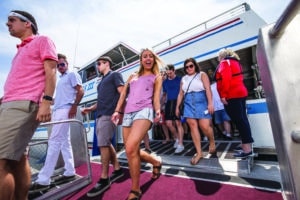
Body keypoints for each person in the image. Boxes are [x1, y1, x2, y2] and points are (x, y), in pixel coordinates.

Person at [0, 10, 57, 199]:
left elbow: (51, 71)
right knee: (17, 159)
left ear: (27, 24)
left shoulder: (42, 40)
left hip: (23, 105)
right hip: (10, 104)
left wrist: (46, 102)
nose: (8, 24)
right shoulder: (19, 50)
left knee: (1, 161)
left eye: (12, 20)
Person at [111, 48, 163, 200]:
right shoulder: (132, 76)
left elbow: (156, 98)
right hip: (128, 113)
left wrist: (158, 110)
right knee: (130, 150)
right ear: (141, 60)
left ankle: (135, 190)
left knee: (131, 147)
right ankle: (155, 161)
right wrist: (117, 111)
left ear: (154, 59)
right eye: (144, 56)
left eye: (150, 56)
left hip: (144, 111)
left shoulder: (157, 76)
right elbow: (123, 95)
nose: (148, 58)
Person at [30, 53, 84, 193]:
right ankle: (70, 170)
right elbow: (57, 100)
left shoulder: (72, 74)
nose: (60, 67)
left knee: (54, 141)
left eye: (62, 64)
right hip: (58, 110)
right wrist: (45, 100)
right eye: (58, 65)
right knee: (65, 142)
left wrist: (74, 106)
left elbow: (81, 91)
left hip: (65, 110)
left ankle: (43, 179)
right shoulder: (60, 80)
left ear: (67, 64)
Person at [81, 56, 124, 197]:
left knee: (103, 145)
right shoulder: (101, 82)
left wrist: (118, 111)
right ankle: (117, 169)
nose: (97, 66)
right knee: (105, 143)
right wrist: (89, 109)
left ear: (107, 63)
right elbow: (100, 102)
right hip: (100, 115)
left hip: (109, 114)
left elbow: (123, 92)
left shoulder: (115, 75)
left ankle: (104, 178)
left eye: (99, 64)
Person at [175, 58, 216, 165]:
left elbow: (208, 89)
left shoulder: (201, 74)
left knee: (205, 126)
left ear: (195, 66)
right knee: (193, 126)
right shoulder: (183, 78)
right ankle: (199, 153)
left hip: (201, 101)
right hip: (188, 102)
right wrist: (177, 106)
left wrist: (210, 103)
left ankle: (212, 142)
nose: (189, 68)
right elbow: (180, 94)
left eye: (191, 66)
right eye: (186, 67)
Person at [215, 48, 254, 158]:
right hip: (241, 93)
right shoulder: (235, 62)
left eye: (218, 57)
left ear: (221, 56)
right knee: (243, 120)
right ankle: (246, 145)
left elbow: (226, 79)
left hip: (232, 95)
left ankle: (246, 149)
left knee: (239, 121)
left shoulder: (224, 63)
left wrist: (223, 95)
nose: (218, 59)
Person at [162, 64, 185, 153]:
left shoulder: (180, 79)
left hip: (178, 101)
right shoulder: (165, 82)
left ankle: (181, 144)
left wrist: (180, 105)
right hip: (169, 103)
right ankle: (177, 138)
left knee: (178, 123)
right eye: (168, 74)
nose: (169, 75)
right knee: (168, 123)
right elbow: (164, 95)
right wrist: (160, 106)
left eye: (170, 73)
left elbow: (182, 92)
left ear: (174, 70)